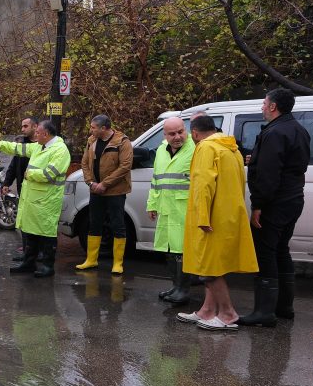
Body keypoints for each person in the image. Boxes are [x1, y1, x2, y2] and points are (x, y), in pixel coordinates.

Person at [237, 88, 311, 327]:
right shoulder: (298, 130)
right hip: (293, 199)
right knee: (281, 250)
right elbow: (291, 163)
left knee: (266, 253)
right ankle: (284, 307)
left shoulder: (275, 133)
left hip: (274, 202)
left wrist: (258, 205)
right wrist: (255, 159)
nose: (261, 107)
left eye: (264, 103)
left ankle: (264, 312)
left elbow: (270, 175)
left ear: (273, 106)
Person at [177, 114, 258, 330]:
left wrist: (202, 217)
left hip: (211, 217)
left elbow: (204, 185)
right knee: (215, 265)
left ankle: (228, 314)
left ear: (194, 133)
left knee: (207, 269)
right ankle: (207, 310)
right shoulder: (232, 149)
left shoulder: (205, 148)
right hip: (228, 215)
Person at [0, 119, 71, 278]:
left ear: (45, 134)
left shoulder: (60, 150)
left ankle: (47, 266)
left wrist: (30, 174)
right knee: (31, 231)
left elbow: (50, 174)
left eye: (38, 133)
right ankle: (29, 263)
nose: (35, 135)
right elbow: (20, 148)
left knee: (46, 233)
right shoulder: (41, 146)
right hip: (34, 199)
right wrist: (1, 145)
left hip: (47, 200)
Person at [146, 116, 196, 305]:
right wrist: (152, 204)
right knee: (168, 249)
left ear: (186, 129)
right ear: (165, 135)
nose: (177, 137)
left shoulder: (195, 149)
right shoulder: (161, 150)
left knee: (181, 251)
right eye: (172, 134)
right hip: (166, 207)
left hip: (185, 209)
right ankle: (175, 286)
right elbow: (156, 180)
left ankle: (183, 290)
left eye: (180, 132)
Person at [76, 114, 134, 274]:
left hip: (116, 191)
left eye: (93, 127)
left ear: (104, 128)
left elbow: (125, 166)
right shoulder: (91, 141)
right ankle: (91, 260)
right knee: (94, 223)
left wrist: (104, 184)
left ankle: (117, 263)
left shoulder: (122, 142)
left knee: (118, 224)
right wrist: (91, 182)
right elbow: (84, 162)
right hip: (95, 190)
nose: (91, 130)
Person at [2, 117, 39, 196]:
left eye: (25, 126)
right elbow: (14, 166)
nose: (22, 130)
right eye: (22, 127)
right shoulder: (21, 145)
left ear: (35, 126)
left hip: (38, 190)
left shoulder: (43, 145)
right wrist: (7, 183)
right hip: (22, 190)